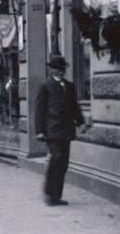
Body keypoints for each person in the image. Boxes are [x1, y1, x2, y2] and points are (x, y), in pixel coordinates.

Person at [34, 55, 89, 206]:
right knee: (56, 159)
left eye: (62, 68)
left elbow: (74, 106)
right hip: (52, 130)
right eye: (58, 68)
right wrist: (39, 130)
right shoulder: (45, 86)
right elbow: (39, 110)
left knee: (63, 163)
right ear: (51, 70)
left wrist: (81, 122)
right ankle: (49, 193)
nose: (61, 71)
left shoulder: (70, 86)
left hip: (66, 131)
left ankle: (56, 196)